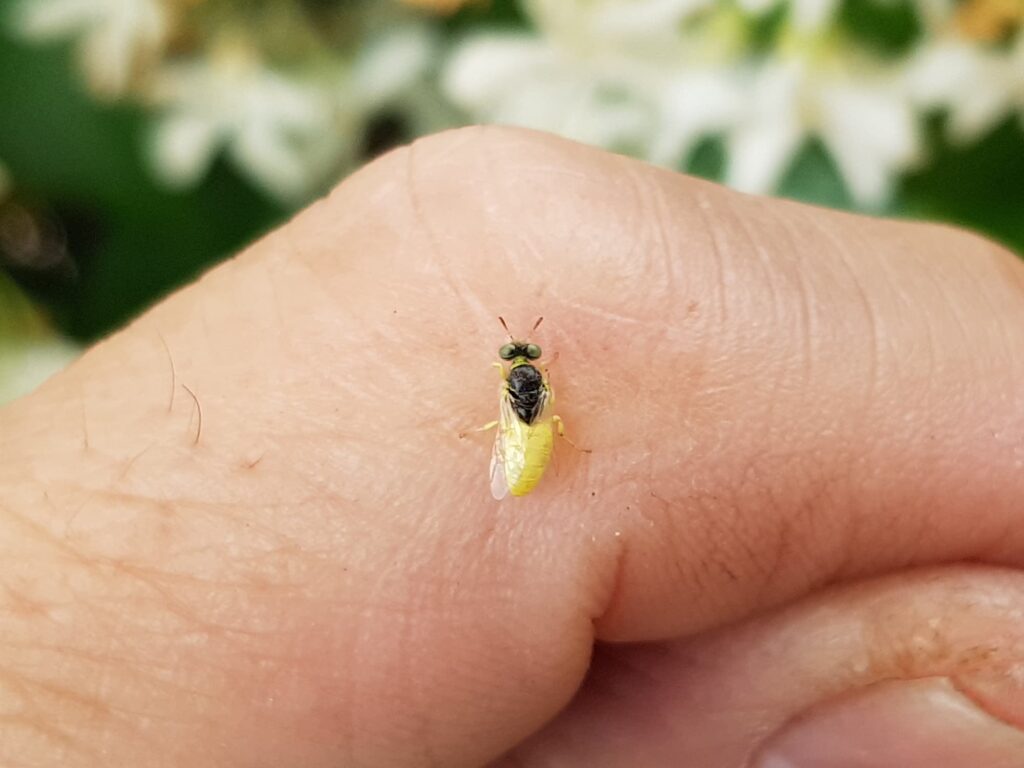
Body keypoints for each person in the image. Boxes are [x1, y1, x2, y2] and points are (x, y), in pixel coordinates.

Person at [2, 127, 1023, 768]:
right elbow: (527, 414)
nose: (518, 359)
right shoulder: (523, 392)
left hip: (525, 450)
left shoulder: (520, 394)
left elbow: (525, 415)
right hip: (525, 451)